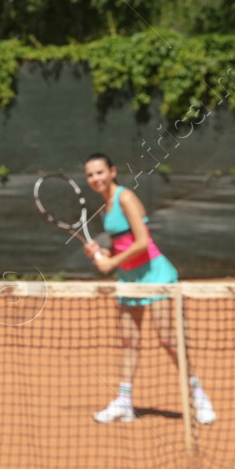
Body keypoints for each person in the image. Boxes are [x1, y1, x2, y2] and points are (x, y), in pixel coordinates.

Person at [81, 152, 216, 426]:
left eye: (100, 172)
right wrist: (100, 252)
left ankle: (199, 396)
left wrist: (110, 264)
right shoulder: (106, 206)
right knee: (129, 341)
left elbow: (143, 242)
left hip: (155, 275)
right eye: (90, 174)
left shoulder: (125, 198)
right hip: (129, 279)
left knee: (168, 338)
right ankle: (125, 402)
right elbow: (123, 245)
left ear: (113, 172)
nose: (96, 178)